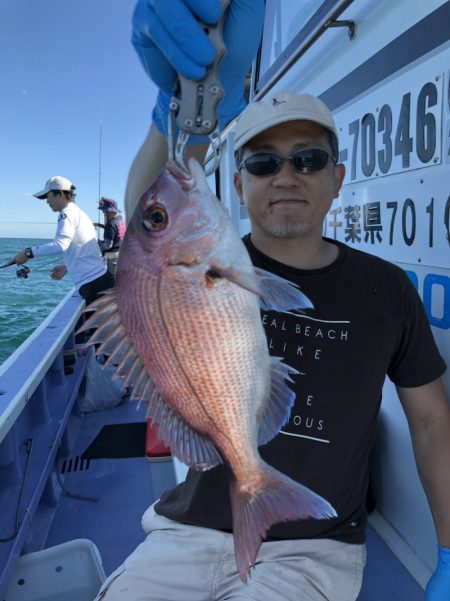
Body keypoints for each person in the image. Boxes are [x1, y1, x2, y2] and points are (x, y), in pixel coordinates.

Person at [96, 2, 450, 600]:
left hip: (315, 546)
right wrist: (172, 117)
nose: (286, 175)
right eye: (263, 162)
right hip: (184, 534)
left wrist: (447, 548)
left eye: (308, 159)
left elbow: (432, 420)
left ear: (337, 178)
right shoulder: (213, 259)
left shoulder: (387, 290)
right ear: (238, 184)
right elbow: (148, 216)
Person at [4, 176, 114, 306]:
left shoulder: (66, 214)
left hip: (93, 285)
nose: (47, 201)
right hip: (101, 279)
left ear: (60, 194)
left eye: (48, 196)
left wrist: (27, 253)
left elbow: (61, 245)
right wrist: (67, 267)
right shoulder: (80, 213)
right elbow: (84, 248)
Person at [94, 197, 126, 277]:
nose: (104, 213)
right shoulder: (120, 218)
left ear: (110, 211)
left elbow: (108, 245)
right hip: (121, 252)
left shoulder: (110, 224)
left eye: (105, 211)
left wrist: (98, 244)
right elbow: (115, 230)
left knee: (113, 280)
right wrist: (99, 225)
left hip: (113, 257)